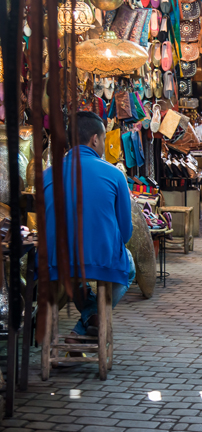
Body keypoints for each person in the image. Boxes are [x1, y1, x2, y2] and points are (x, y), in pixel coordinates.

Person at [44, 111, 135, 341]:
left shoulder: (47, 175)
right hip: (100, 260)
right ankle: (88, 322)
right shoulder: (114, 175)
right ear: (95, 139)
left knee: (76, 274)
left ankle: (86, 323)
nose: (103, 145)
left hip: (55, 261)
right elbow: (125, 233)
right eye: (103, 139)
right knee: (129, 266)